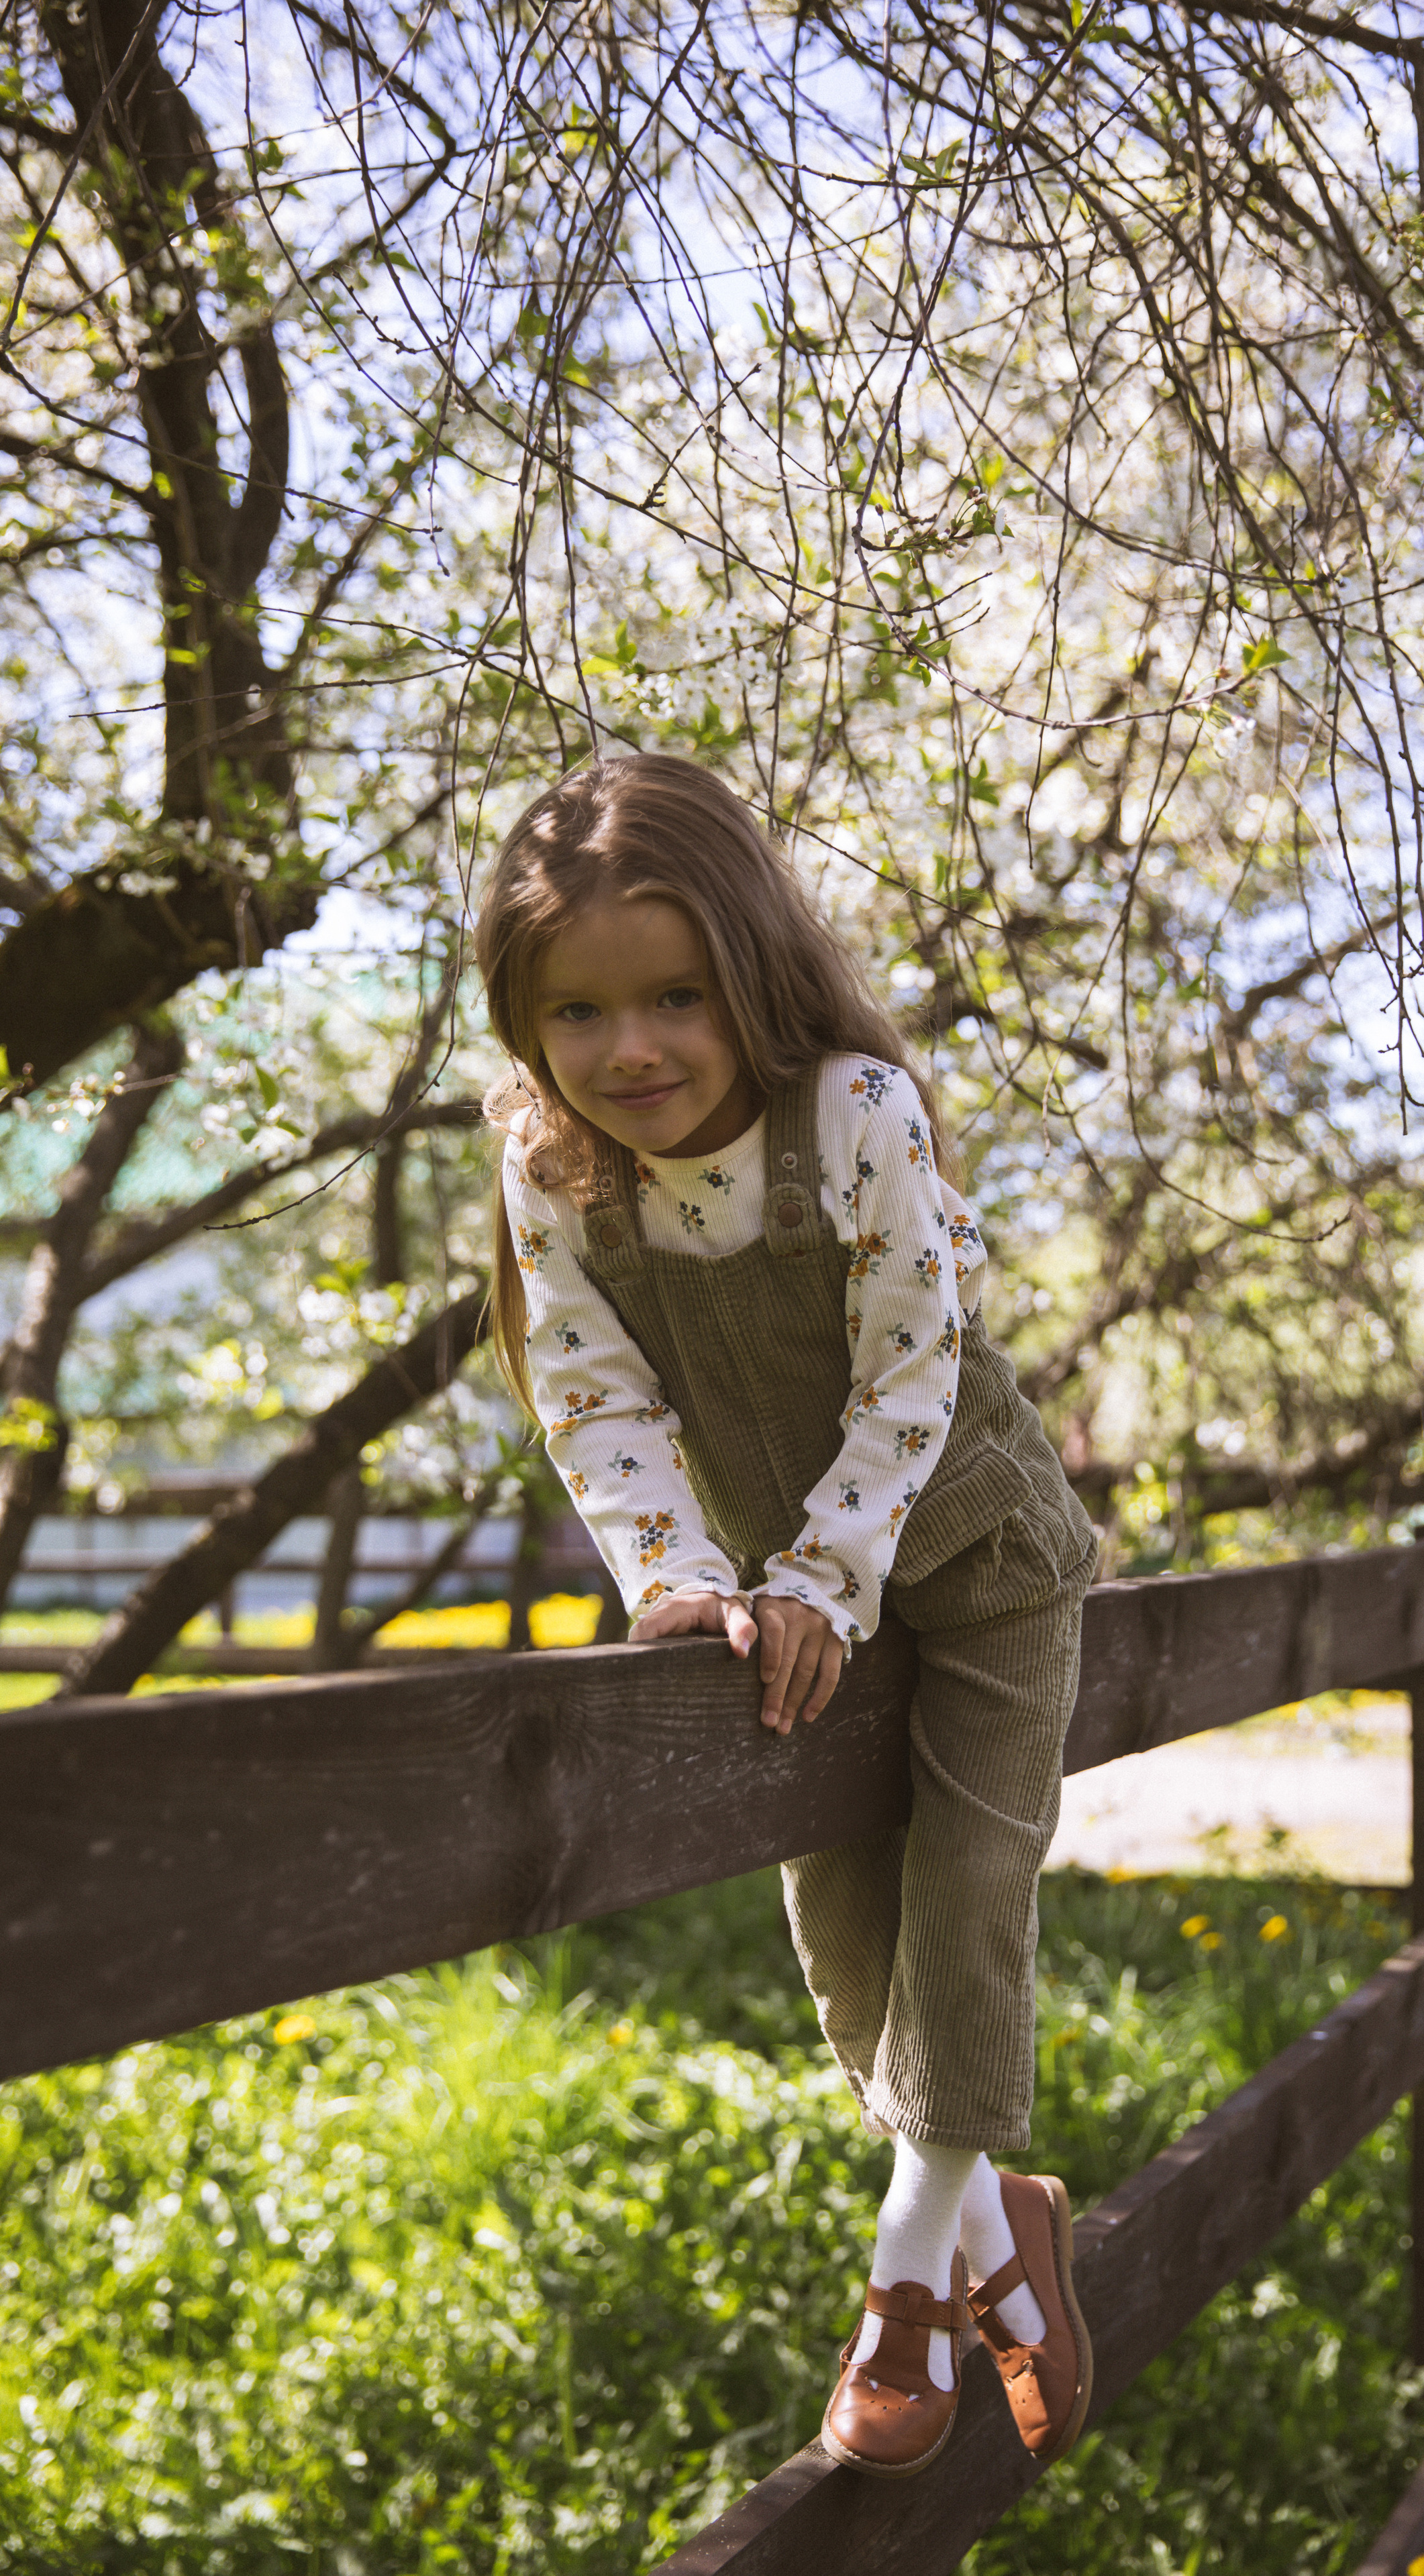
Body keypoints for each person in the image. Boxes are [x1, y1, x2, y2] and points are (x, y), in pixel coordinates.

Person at [476, 753, 1099, 2478]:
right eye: (580, 1013)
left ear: (750, 965)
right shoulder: (556, 1169)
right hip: (787, 1602)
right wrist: (679, 1575)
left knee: (968, 1885)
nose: (634, 1052)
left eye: (674, 995)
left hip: (969, 1565)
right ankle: (1004, 2233)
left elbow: (915, 1368)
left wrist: (824, 1570)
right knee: (843, 1955)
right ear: (528, 1028)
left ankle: (908, 2290)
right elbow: (594, 1399)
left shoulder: (852, 1117)